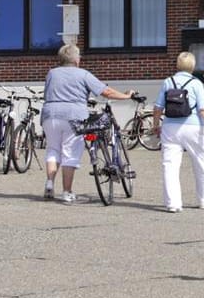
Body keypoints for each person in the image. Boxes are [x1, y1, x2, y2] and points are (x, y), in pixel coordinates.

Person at [41, 43, 136, 203]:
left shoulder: (52, 73)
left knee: (53, 150)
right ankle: (67, 192)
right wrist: (126, 96)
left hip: (50, 115)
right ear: (77, 60)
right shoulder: (83, 74)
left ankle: (50, 183)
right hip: (74, 116)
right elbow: (106, 91)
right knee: (70, 154)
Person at [157, 52, 204, 213]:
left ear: (177, 65)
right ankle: (203, 199)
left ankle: (173, 204)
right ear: (192, 66)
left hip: (170, 128)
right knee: (200, 163)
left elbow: (158, 107)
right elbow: (203, 109)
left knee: (170, 165)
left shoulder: (168, 82)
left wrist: (156, 125)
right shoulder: (196, 83)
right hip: (193, 128)